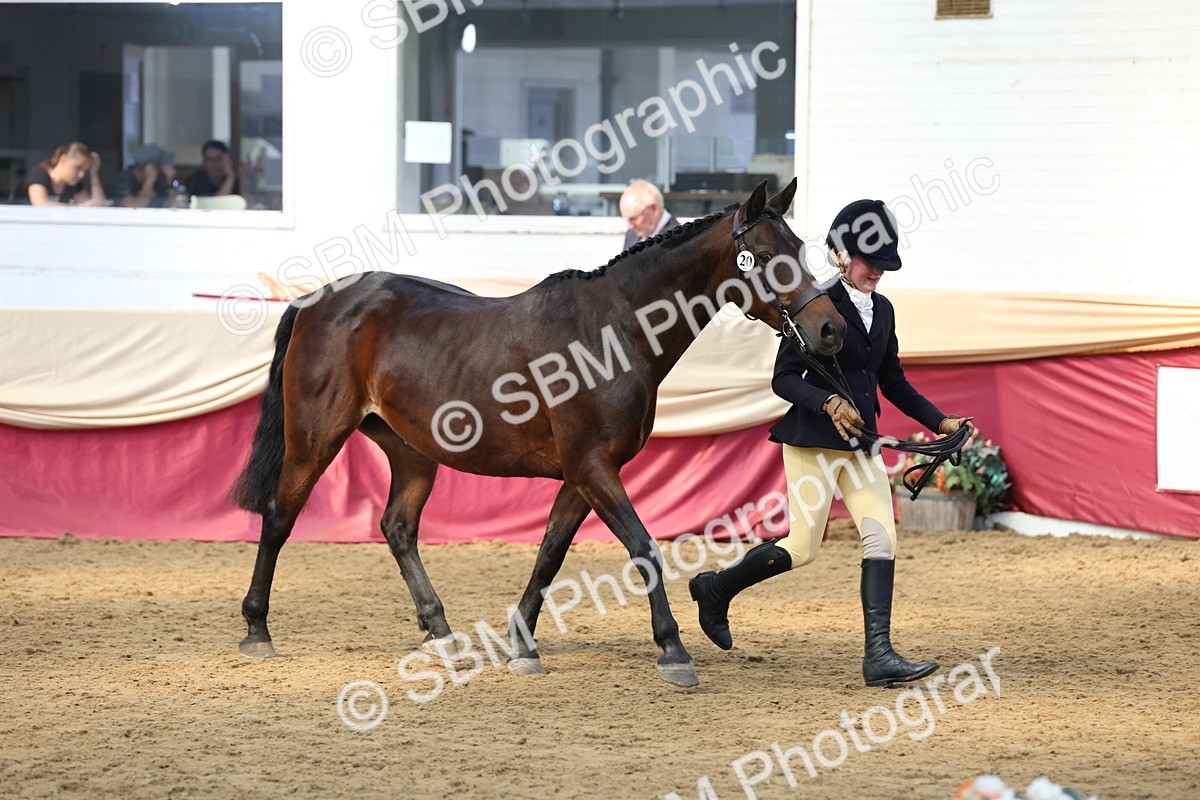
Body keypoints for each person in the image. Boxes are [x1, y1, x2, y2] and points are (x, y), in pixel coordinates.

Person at [688, 199, 976, 688]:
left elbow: (894, 383)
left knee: (882, 536)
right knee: (803, 549)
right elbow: (783, 380)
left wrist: (939, 421)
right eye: (870, 262)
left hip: (861, 446)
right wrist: (826, 402)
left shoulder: (882, 311)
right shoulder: (813, 305)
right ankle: (716, 589)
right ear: (841, 255)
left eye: (885, 264)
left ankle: (879, 656)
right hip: (814, 444)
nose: (879, 272)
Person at [26, 141, 107, 206]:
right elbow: (40, 203)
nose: (81, 175)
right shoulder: (39, 174)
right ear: (63, 160)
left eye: (85, 171)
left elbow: (96, 205)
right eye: (77, 168)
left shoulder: (74, 183)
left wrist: (94, 174)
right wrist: (77, 209)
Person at [109, 144, 178, 208]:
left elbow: (170, 205)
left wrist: (169, 182)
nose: (166, 170)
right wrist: (149, 181)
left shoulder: (157, 183)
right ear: (151, 168)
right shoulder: (121, 182)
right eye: (163, 166)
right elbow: (135, 207)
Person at [619, 180, 675, 249]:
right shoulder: (632, 234)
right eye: (627, 219)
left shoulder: (678, 240)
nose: (630, 226)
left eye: (634, 219)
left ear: (654, 209)